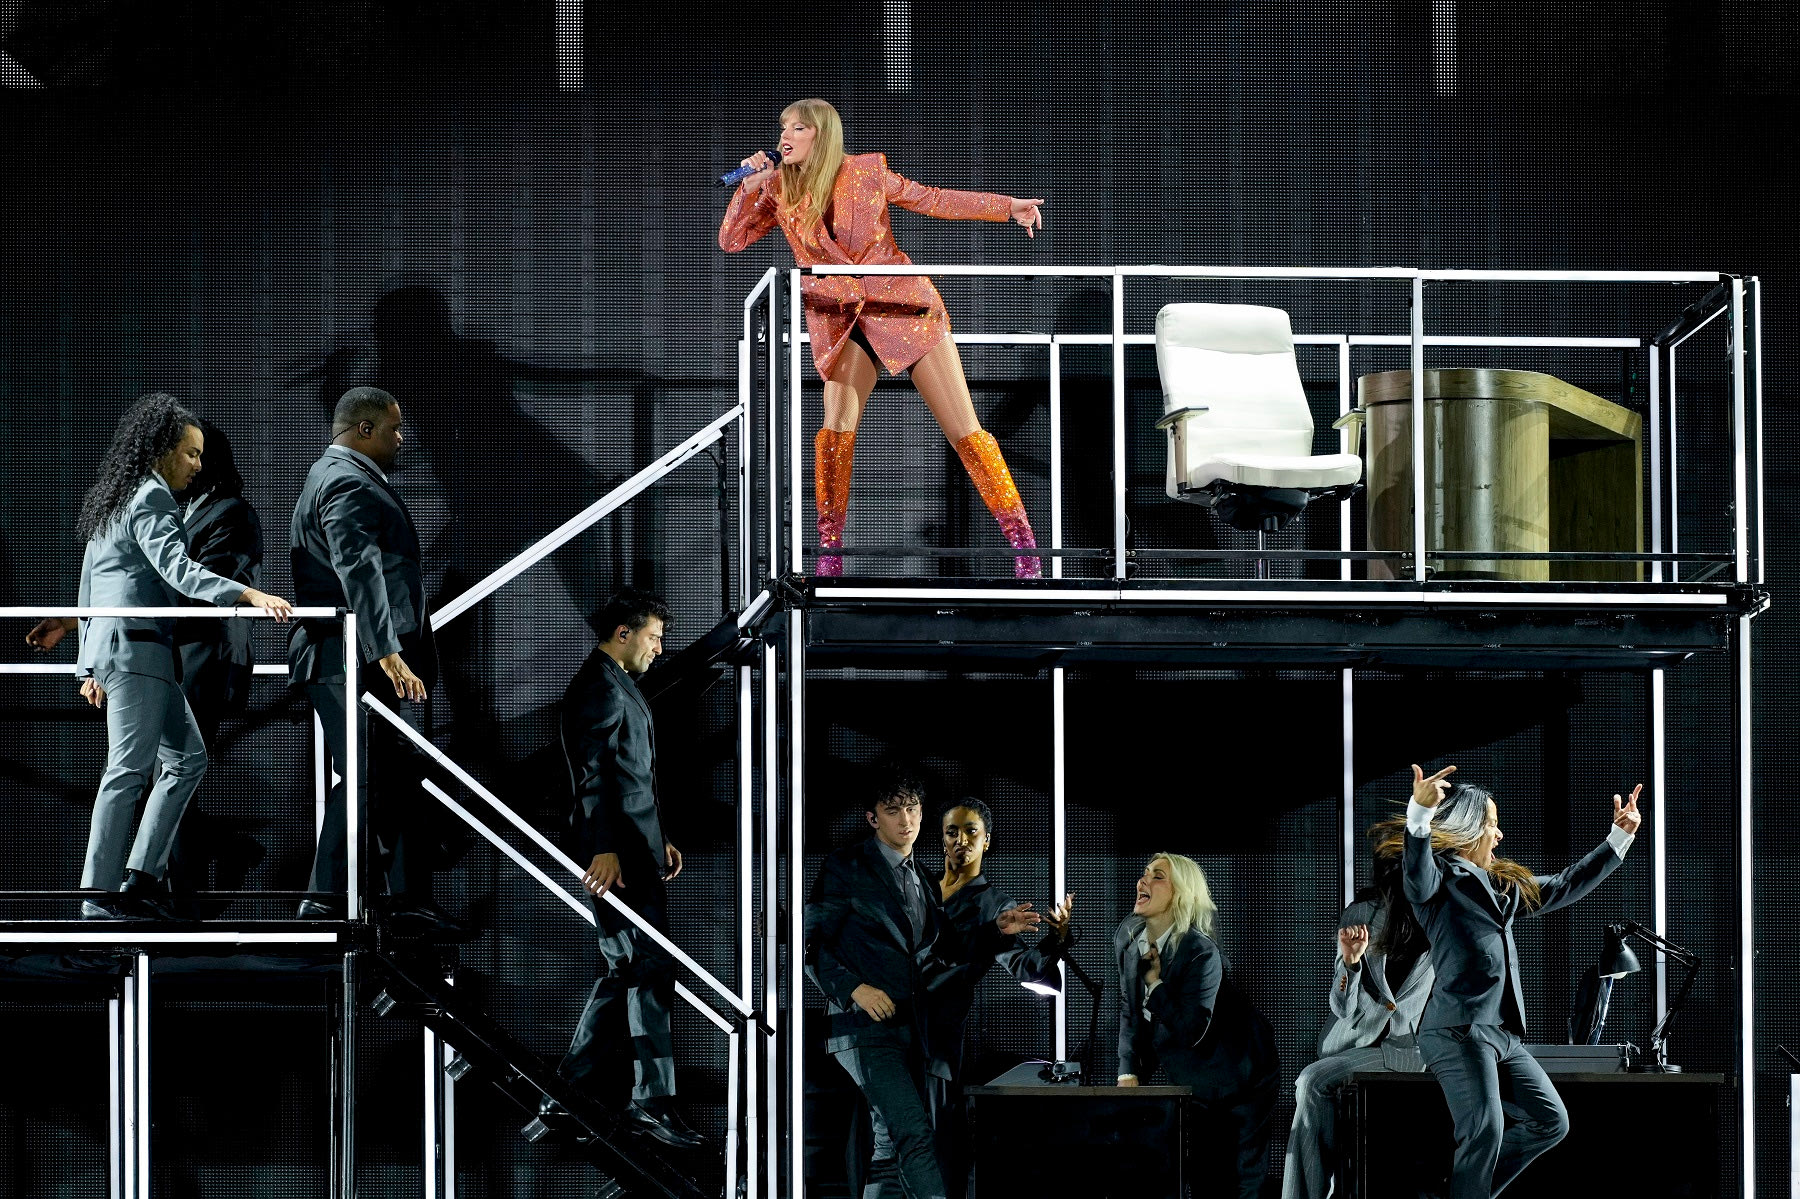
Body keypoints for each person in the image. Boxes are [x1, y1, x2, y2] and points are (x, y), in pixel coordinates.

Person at [719, 98, 1048, 579]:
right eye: (783, 127)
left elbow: (932, 199)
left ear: (822, 134)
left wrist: (1007, 207)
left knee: (965, 430)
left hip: (902, 307)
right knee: (836, 427)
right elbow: (732, 240)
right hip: (842, 316)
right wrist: (748, 187)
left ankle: (1026, 550)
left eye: (798, 128)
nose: (785, 136)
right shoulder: (777, 187)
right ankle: (830, 554)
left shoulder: (866, 171)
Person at [69, 393, 293, 919]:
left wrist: (87, 664)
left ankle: (141, 878)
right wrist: (247, 593)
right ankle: (96, 897)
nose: (197, 465)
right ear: (161, 451)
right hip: (138, 651)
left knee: (187, 760)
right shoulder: (151, 497)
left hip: (134, 654)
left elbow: (88, 587)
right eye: (191, 454)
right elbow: (179, 570)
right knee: (127, 773)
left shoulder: (116, 498)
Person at [1378, 764, 1643, 1199]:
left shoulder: (1502, 886)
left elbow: (1562, 885)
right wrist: (1419, 815)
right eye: (1492, 824)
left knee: (1551, 1121)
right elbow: (1416, 870)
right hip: (1459, 1029)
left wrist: (1619, 838)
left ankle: (1458, 1191)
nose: (1499, 835)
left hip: (1503, 1033)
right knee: (1485, 1130)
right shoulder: (1437, 880)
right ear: (1468, 829)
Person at [806, 770, 1041, 1199]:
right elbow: (812, 945)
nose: (906, 820)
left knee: (888, 1148)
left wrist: (996, 930)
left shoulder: (922, 879)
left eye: (912, 809)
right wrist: (855, 989)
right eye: (893, 811)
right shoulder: (847, 866)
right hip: (862, 1029)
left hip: (911, 1030)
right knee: (914, 1134)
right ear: (873, 818)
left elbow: (943, 950)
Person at [289, 386, 463, 935]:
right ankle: (324, 898)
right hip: (345, 656)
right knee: (368, 772)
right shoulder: (345, 480)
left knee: (394, 771)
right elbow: (357, 568)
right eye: (394, 429)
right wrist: (386, 650)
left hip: (354, 655)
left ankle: (407, 895)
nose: (402, 438)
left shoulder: (344, 477)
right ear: (364, 430)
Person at [551, 589, 704, 1151]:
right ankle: (650, 1101)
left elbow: (630, 776)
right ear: (624, 633)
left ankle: (568, 1088)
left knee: (629, 971)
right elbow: (592, 775)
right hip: (617, 858)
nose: (659, 649)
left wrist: (655, 839)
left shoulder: (615, 684)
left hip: (636, 853)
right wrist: (605, 847)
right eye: (654, 638)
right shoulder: (598, 686)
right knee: (648, 969)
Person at [920, 798, 1071, 1199]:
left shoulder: (994, 905)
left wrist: (1056, 940)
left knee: (932, 1147)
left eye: (972, 832)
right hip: (890, 1026)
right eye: (952, 832)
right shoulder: (918, 887)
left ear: (987, 841)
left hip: (937, 1040)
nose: (961, 840)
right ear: (941, 839)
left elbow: (1025, 966)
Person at [1114, 853, 1279, 1199]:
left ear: (1180, 894)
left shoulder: (1201, 952)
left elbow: (1192, 1030)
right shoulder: (1127, 940)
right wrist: (1128, 1071)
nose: (1143, 880)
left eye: (1158, 876)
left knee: (1238, 1183)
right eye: (1144, 873)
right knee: (1202, 1175)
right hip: (1193, 1073)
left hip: (1243, 1073)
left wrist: (1155, 985)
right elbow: (1131, 1011)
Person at [1281, 857, 1435, 1199]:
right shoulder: (1361, 913)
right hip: (1348, 1042)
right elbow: (1341, 1008)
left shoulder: (1441, 917)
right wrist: (1350, 965)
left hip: (1402, 1050)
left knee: (1312, 1080)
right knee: (1313, 1085)